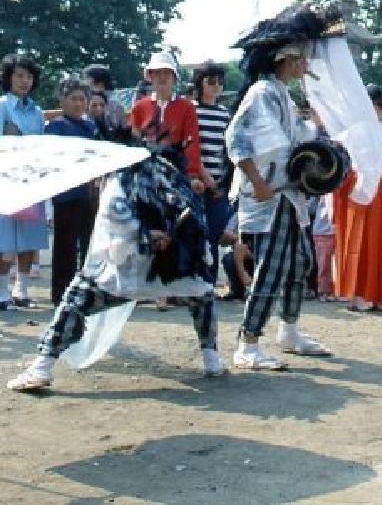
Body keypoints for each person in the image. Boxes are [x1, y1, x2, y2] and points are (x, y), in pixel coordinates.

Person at [6, 140, 227, 391]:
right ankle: (212, 359)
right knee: (202, 294)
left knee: (74, 302)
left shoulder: (123, 181)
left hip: (129, 270)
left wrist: (153, 237)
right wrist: (154, 237)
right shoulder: (171, 176)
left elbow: (118, 223)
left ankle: (42, 366)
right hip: (168, 271)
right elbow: (195, 219)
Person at [226, 6, 335, 371]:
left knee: (300, 261)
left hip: (288, 196)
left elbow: (296, 142)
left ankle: (288, 330)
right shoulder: (262, 93)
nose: (306, 64)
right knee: (271, 267)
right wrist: (257, 182)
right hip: (268, 197)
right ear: (287, 60)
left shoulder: (282, 96)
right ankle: (248, 342)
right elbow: (237, 140)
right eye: (301, 58)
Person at [333, 84, 382, 311]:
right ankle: (355, 293)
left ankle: (376, 294)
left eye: (372, 106)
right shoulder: (353, 130)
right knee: (355, 235)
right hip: (356, 181)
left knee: (378, 236)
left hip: (381, 183)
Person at [45, 79, 98, 305]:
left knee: (89, 246)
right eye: (73, 99)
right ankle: (61, 294)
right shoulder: (55, 127)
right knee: (65, 247)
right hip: (65, 195)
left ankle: (84, 292)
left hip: (89, 195)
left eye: (82, 99)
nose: (78, 104)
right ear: (63, 101)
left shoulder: (90, 127)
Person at [0, 54, 47, 310]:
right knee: (4, 236)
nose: (25, 81)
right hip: (6, 179)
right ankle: (1, 292)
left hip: (32, 179)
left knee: (30, 236)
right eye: (19, 75)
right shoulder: (2, 106)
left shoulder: (38, 111)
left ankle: (23, 289)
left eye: (29, 76)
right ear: (8, 77)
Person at [130, 51, 211, 195]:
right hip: (145, 174)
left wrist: (192, 176)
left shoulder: (186, 107)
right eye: (157, 73)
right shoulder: (139, 107)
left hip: (177, 174)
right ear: (151, 77)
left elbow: (191, 143)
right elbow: (133, 142)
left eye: (166, 73)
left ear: (174, 78)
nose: (162, 77)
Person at [192, 61, 234, 283]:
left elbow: (228, 151)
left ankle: (208, 283)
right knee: (195, 234)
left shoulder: (224, 114)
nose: (216, 86)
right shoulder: (191, 110)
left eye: (220, 82)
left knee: (215, 235)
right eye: (211, 81)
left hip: (219, 186)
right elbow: (191, 149)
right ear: (200, 83)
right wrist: (204, 176)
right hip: (195, 184)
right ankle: (193, 283)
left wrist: (223, 182)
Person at [82, 64, 128, 138]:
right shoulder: (116, 102)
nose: (84, 81)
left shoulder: (113, 103)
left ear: (95, 80)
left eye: (86, 78)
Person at [310, 195, 336, 302]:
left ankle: (340, 290)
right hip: (322, 230)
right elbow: (311, 208)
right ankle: (324, 291)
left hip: (340, 229)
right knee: (323, 264)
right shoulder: (321, 189)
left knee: (338, 263)